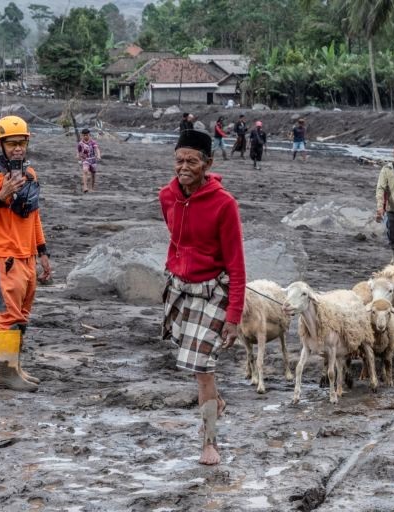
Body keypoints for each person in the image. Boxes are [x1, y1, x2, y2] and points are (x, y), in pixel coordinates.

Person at [159, 129, 246, 465]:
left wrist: (233, 316)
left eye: (192, 161)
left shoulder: (225, 204)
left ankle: (210, 442)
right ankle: (216, 404)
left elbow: (237, 265)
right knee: (194, 365)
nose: (184, 167)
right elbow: (177, 239)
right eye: (179, 160)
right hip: (180, 287)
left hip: (214, 290)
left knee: (202, 365)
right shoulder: (166, 197)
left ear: (207, 164)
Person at [0, 115, 51, 392]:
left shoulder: (30, 175)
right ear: (1, 144)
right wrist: (2, 194)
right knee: (7, 315)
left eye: (22, 142)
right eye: (12, 143)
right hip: (3, 254)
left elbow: (34, 215)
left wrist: (42, 250)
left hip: (27, 253)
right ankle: (5, 373)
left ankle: (15, 366)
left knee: (22, 314)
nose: (18, 148)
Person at [77, 128, 101, 193]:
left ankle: (92, 188)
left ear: (89, 135)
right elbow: (78, 151)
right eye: (84, 135)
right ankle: (85, 187)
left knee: (93, 174)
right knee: (85, 171)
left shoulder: (93, 142)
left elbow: (97, 149)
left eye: (87, 135)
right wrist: (78, 157)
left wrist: (98, 155)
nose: (85, 136)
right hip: (85, 160)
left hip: (93, 160)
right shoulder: (80, 143)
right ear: (82, 135)